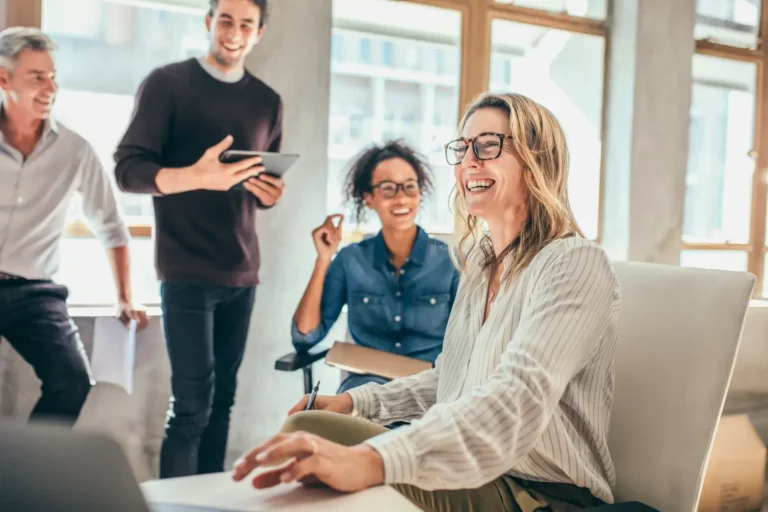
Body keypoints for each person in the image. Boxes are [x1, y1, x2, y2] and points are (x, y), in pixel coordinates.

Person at [232, 92, 622, 512]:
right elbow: (450, 379)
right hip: (474, 467)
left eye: (488, 145)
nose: (469, 161)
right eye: (463, 148)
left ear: (537, 158)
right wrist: (354, 402)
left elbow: (515, 398)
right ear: (370, 198)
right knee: (308, 426)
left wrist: (373, 459)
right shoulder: (480, 262)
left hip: (538, 492)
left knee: (337, 464)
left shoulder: (573, 262)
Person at [113, 0, 284, 479]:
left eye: (245, 24)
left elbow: (259, 181)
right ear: (209, 22)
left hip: (243, 268)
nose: (233, 31)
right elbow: (128, 171)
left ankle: (210, 502)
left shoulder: (268, 101)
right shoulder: (167, 84)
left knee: (222, 403)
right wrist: (195, 176)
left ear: (259, 33)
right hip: (185, 268)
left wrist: (270, 192)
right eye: (225, 20)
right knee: (191, 406)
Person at [0, 28, 149, 426]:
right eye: (37, 77)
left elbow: (111, 226)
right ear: (4, 79)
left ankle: (26, 476)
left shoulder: (74, 150)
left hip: (35, 292)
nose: (50, 87)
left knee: (72, 381)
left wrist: (125, 298)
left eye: (53, 76)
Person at [292, 141, 459, 394]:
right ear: (368, 198)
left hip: (431, 391)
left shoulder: (451, 261)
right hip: (364, 390)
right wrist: (323, 258)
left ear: (420, 193)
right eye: (388, 188)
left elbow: (473, 342)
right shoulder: (350, 260)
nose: (401, 197)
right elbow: (305, 337)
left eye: (409, 187)